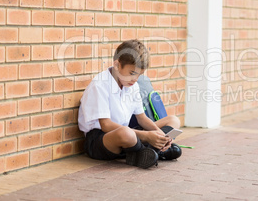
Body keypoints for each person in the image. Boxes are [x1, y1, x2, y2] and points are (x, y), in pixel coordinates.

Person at [78, 39, 182, 169]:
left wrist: (159, 135)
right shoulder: (100, 85)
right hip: (102, 138)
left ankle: (152, 150)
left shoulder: (132, 85)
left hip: (130, 134)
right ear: (117, 65)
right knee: (126, 133)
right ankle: (150, 151)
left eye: (139, 75)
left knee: (173, 120)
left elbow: (142, 118)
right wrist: (146, 136)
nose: (135, 79)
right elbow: (106, 125)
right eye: (132, 73)